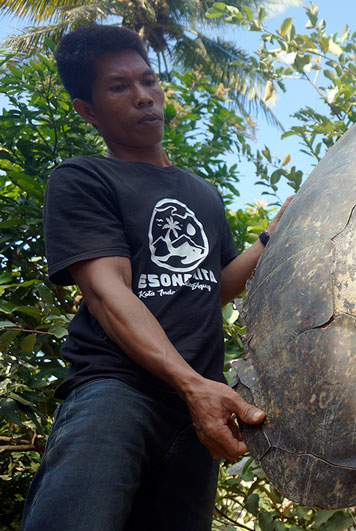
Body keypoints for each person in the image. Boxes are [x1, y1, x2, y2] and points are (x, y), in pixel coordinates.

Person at [21, 24, 292, 530]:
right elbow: (106, 293)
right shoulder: (84, 179)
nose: (144, 97)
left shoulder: (204, 193)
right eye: (119, 87)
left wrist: (270, 238)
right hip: (117, 392)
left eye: (148, 81)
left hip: (195, 415)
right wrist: (193, 385)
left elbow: (212, 288)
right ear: (88, 110)